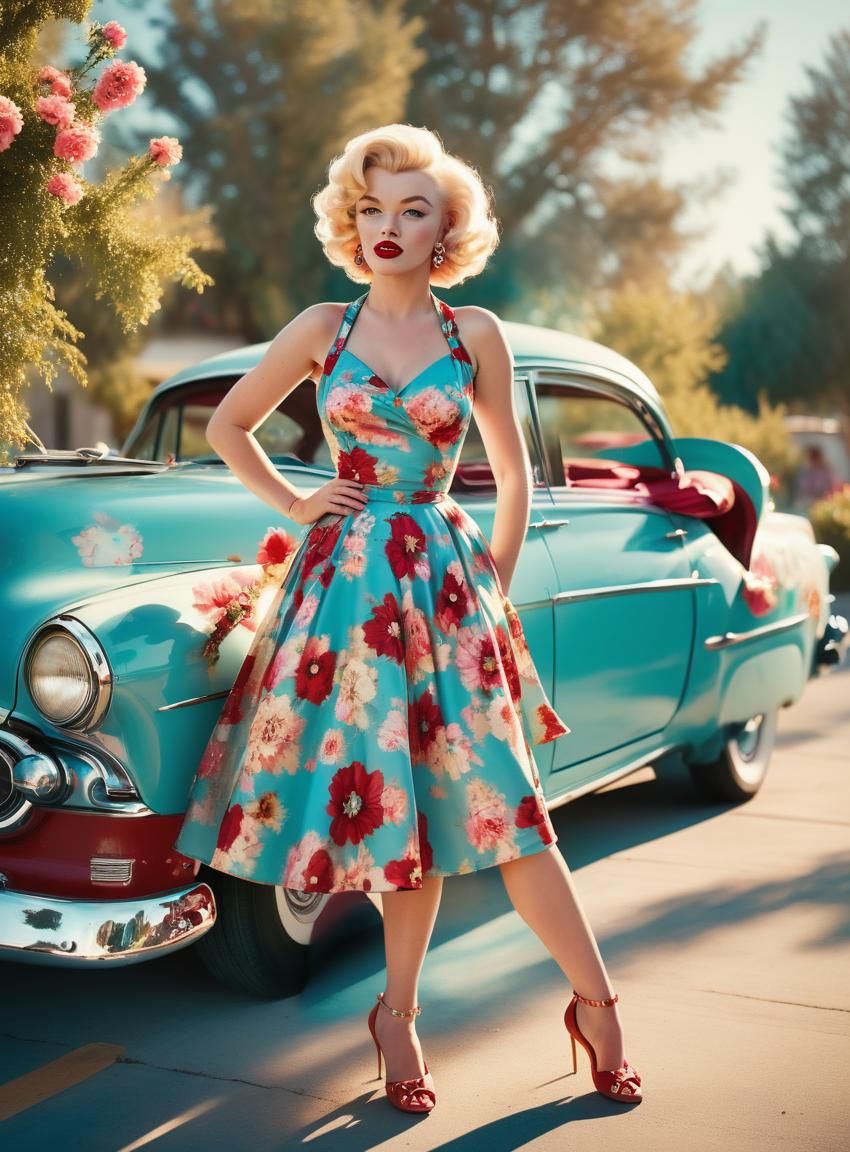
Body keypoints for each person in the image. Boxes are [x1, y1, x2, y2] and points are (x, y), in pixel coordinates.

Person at [173, 124, 642, 1113]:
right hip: (344, 593)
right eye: (372, 207)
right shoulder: (318, 329)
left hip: (444, 587)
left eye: (412, 209)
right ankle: (397, 1019)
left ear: (447, 230)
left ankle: (597, 1004)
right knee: (395, 820)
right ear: (353, 220)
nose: (387, 226)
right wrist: (298, 502)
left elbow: (510, 477)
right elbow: (226, 425)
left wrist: (492, 591)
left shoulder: (473, 333)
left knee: (509, 813)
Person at [793, 443, 839, 511]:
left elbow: (832, 486)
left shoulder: (826, 471)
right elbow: (804, 489)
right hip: (811, 500)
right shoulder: (808, 472)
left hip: (825, 500)